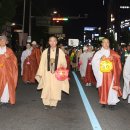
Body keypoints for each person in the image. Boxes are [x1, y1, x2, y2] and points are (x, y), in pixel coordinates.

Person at [35, 36, 69, 109]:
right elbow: (42, 63)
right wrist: (40, 73)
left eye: (54, 41)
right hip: (47, 73)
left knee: (56, 87)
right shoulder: (45, 51)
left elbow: (64, 63)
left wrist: (61, 67)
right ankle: (46, 102)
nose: (52, 43)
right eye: (51, 41)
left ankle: (54, 103)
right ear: (49, 42)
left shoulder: (60, 52)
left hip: (56, 73)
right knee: (46, 87)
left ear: (56, 42)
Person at [92, 38, 122, 109]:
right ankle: (103, 101)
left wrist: (113, 59)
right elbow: (94, 62)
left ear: (109, 43)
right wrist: (100, 59)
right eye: (104, 42)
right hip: (102, 74)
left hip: (111, 74)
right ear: (102, 44)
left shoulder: (113, 53)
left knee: (111, 88)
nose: (106, 44)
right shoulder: (98, 53)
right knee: (103, 87)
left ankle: (112, 102)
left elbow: (118, 62)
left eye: (107, 42)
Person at [0, 35, 18, 105]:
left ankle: (4, 100)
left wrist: (8, 58)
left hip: (7, 71)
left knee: (6, 85)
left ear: (6, 42)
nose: (2, 42)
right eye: (1, 40)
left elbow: (14, 60)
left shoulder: (9, 50)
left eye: (3, 40)